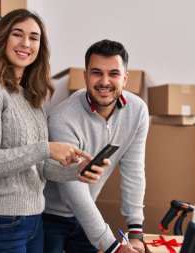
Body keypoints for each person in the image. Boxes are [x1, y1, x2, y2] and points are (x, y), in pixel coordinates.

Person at [0, 9, 108, 253]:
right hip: (1, 225)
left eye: (34, 38)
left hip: (34, 224)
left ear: (39, 47)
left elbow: (39, 168)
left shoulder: (29, 97)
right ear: (3, 39)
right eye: (17, 34)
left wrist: (77, 171)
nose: (25, 43)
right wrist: (45, 148)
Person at [43, 39, 149, 253]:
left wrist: (135, 230)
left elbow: (134, 170)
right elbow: (73, 187)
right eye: (97, 72)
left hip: (87, 212)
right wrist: (111, 247)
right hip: (48, 216)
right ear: (85, 76)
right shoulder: (63, 118)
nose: (105, 81)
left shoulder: (137, 111)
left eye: (114, 74)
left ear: (125, 78)